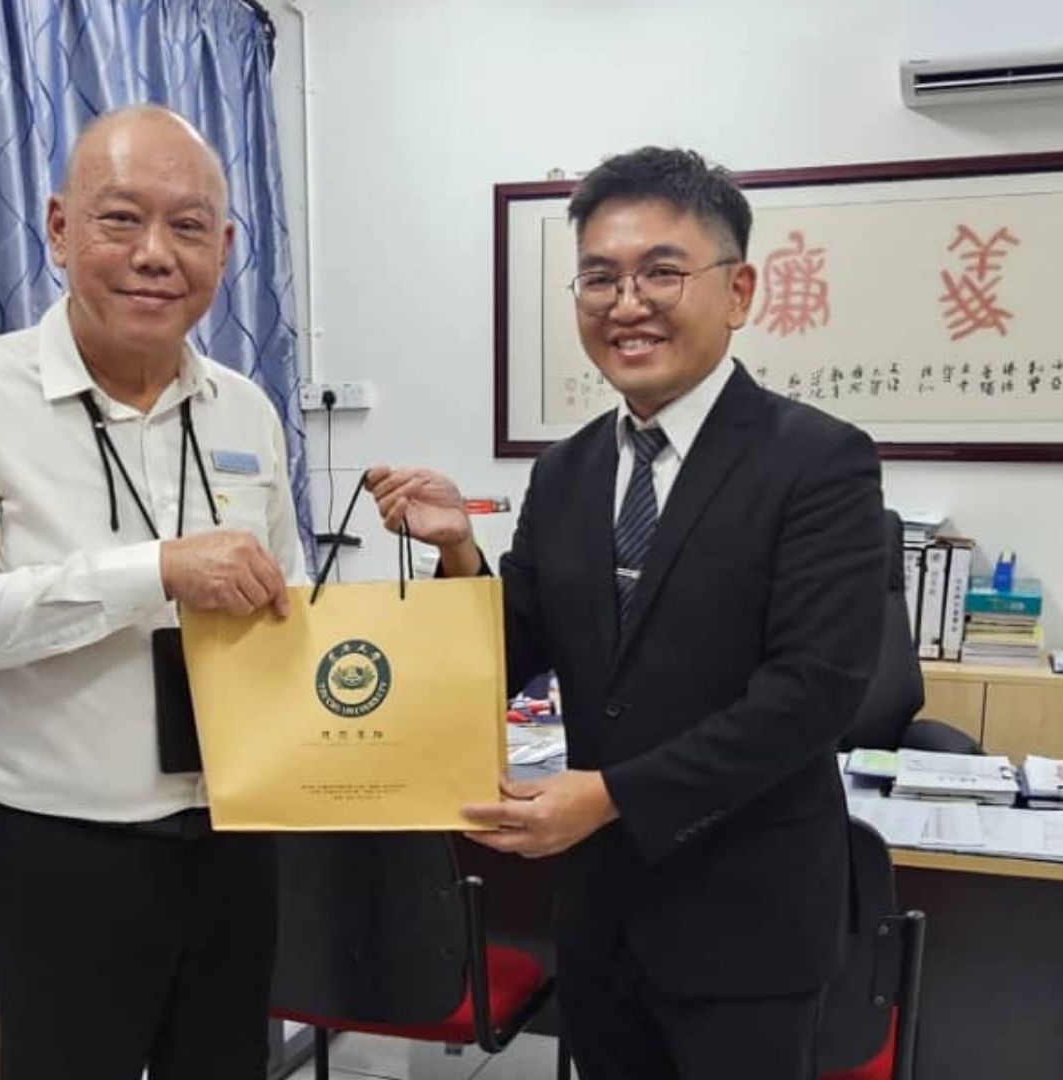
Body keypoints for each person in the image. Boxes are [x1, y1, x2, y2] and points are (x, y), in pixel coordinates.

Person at [368, 146, 887, 1080]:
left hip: (747, 925)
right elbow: (514, 648)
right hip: (601, 917)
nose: (627, 303)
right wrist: (458, 555)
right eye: (600, 278)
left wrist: (609, 797)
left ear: (738, 291)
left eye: (661, 272)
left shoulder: (820, 463)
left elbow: (811, 696)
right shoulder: (565, 471)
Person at [0, 104, 307, 1080]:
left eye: (188, 226)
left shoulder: (245, 407)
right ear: (60, 228)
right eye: (121, 218)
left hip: (236, 841)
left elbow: (286, 605)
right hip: (64, 858)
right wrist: (152, 571)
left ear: (225, 249)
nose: (155, 254)